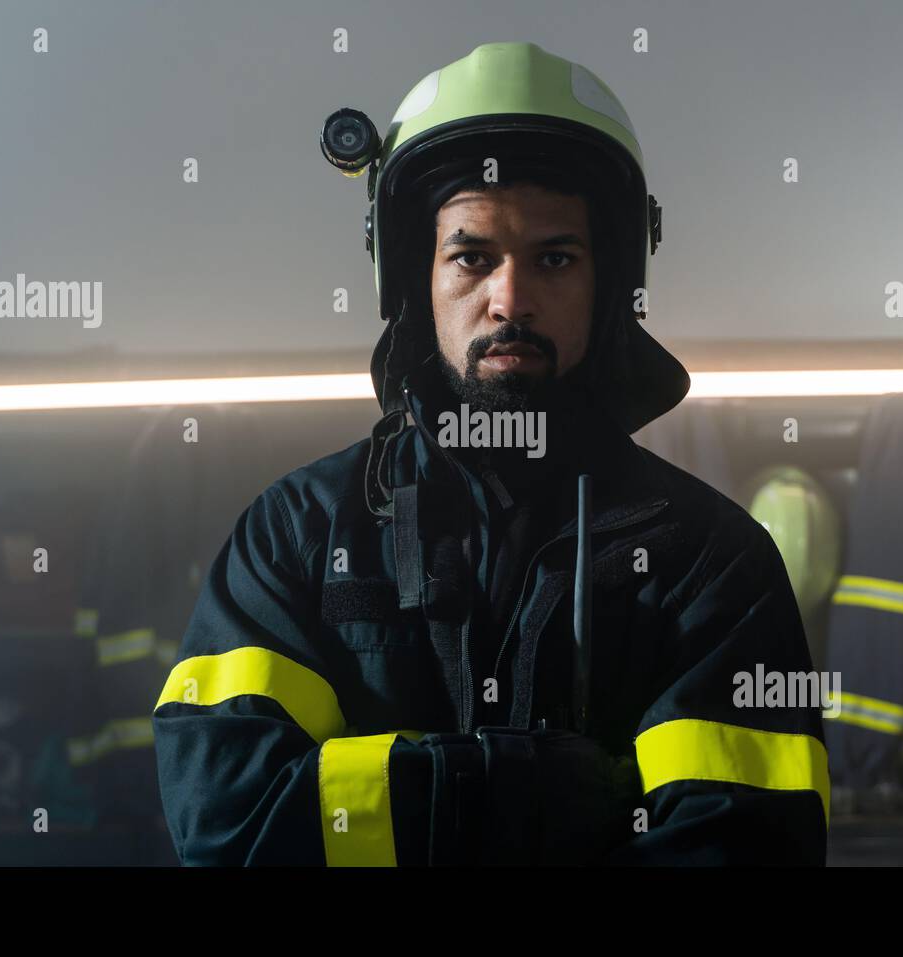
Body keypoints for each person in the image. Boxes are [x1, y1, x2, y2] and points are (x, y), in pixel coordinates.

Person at [152, 41, 828, 866]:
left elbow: (744, 850)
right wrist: (530, 791)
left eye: (554, 257)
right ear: (413, 278)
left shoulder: (711, 564)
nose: (511, 299)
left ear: (609, 283)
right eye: (472, 256)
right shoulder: (294, 536)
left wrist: (394, 798)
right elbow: (229, 822)